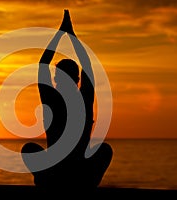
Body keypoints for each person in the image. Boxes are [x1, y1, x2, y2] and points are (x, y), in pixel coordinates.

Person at [21, 9, 113, 190]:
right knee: (29, 149)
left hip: (71, 168)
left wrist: (62, 34)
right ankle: (78, 182)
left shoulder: (61, 98)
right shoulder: (70, 98)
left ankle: (58, 181)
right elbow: (84, 65)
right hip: (63, 168)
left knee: (105, 150)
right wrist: (69, 36)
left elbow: (43, 65)